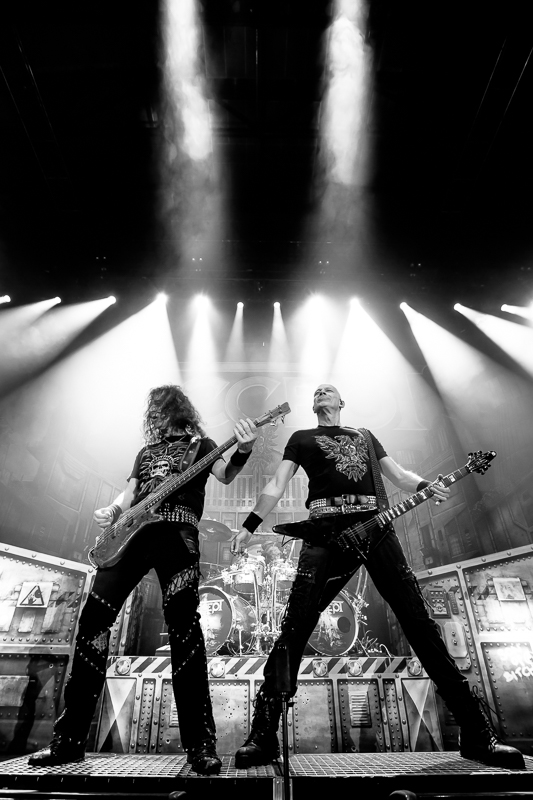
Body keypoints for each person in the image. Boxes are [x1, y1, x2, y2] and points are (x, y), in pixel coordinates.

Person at [230, 384, 524, 770]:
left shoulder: (365, 436)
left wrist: (425, 485)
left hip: (376, 528)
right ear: (313, 405)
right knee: (295, 626)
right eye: (317, 391)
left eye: (328, 390)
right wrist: (249, 525)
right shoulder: (301, 438)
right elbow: (276, 484)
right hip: (325, 533)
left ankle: (476, 732)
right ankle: (264, 734)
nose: (321, 392)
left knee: (419, 623)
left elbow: (398, 475)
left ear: (341, 402)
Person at [29, 385, 257, 775]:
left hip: (177, 535)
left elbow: (225, 474)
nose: (155, 418)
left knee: (185, 630)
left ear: (176, 411)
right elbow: (130, 492)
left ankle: (200, 746)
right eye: (152, 413)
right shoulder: (145, 452)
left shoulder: (202, 446)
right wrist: (112, 509)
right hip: (131, 537)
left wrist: (245, 449)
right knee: (92, 622)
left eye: (160, 410)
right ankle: (68, 741)